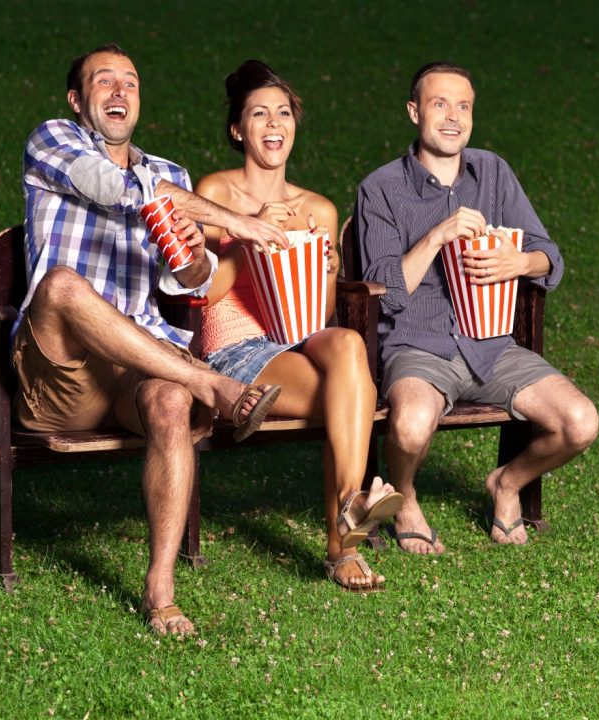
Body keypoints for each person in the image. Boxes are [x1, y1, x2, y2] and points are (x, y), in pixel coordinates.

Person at [15, 44, 293, 637]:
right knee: (63, 285)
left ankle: (160, 588)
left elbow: (186, 281)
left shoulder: (171, 176)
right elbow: (115, 188)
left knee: (169, 400)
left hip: (133, 364)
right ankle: (212, 384)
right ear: (76, 98)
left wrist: (196, 257)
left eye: (131, 83)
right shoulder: (52, 141)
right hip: (61, 373)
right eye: (104, 81)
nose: (119, 92)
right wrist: (235, 221)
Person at [356, 61, 599, 551]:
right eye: (439, 103)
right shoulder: (379, 188)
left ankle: (506, 484)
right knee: (409, 425)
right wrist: (435, 237)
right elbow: (383, 288)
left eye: (463, 106)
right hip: (417, 346)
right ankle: (404, 496)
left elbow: (550, 257)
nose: (453, 116)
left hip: (492, 347)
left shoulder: (492, 172)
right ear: (413, 111)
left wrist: (519, 260)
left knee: (581, 422)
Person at [194, 60, 403, 592]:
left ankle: (351, 505)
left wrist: (322, 265)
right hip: (236, 345)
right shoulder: (214, 194)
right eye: (259, 113)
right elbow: (200, 294)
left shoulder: (320, 208)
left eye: (283, 113)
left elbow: (317, 314)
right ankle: (345, 543)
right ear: (238, 129)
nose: (273, 124)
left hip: (301, 337)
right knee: (349, 393)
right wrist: (249, 238)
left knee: (350, 345)